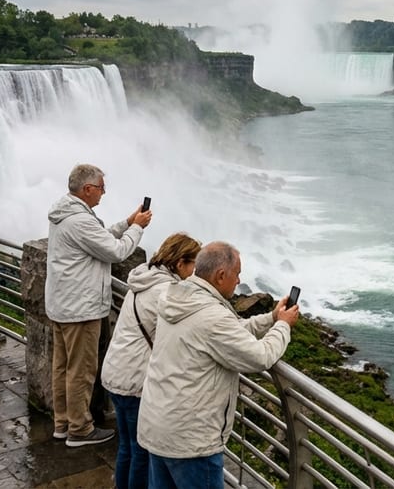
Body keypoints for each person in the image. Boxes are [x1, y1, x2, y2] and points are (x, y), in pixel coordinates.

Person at [137, 241, 299, 489]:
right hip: (190, 442)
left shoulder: (177, 295)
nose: (239, 280)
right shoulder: (211, 315)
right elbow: (260, 357)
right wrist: (284, 326)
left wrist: (272, 318)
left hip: (158, 426)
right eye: (237, 274)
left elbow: (228, 333)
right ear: (221, 275)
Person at [47, 163, 151, 448]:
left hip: (63, 304)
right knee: (81, 370)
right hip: (80, 308)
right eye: (101, 188)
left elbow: (100, 235)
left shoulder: (67, 213)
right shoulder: (79, 220)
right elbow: (116, 251)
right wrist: (138, 229)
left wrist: (128, 223)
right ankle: (79, 430)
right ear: (88, 189)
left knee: (63, 367)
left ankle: (63, 423)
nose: (103, 193)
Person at [102, 233, 202, 489]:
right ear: (180, 263)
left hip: (115, 372)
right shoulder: (165, 292)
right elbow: (195, 327)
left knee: (127, 447)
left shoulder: (144, 278)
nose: (196, 272)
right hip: (135, 381)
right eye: (194, 265)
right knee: (141, 452)